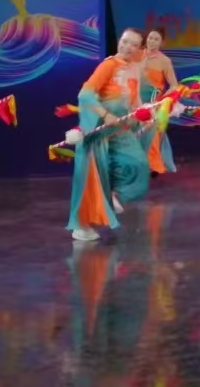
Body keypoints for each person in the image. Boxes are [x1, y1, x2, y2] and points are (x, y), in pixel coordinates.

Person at [67, 28, 153, 241]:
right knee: (92, 178)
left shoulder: (134, 68)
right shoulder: (108, 65)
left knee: (139, 165)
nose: (127, 47)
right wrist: (105, 115)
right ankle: (82, 226)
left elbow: (133, 100)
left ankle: (113, 195)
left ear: (139, 49)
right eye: (125, 41)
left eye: (134, 44)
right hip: (100, 131)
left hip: (120, 129)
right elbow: (85, 94)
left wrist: (144, 114)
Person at [139, 27, 179, 175]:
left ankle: (153, 166)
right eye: (150, 38)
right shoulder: (137, 54)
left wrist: (162, 101)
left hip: (152, 103)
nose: (152, 41)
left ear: (161, 43)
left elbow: (174, 85)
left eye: (156, 39)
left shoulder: (165, 61)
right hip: (135, 100)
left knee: (152, 135)